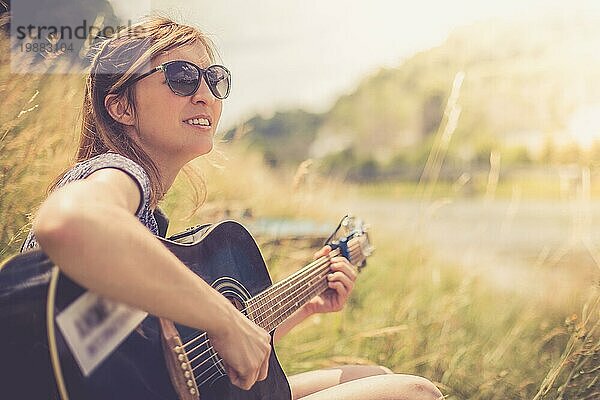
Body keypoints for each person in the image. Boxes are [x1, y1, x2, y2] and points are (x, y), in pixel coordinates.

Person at [22, 15, 443, 400]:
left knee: (372, 374)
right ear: (121, 107)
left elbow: (180, 360)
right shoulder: (115, 173)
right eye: (182, 77)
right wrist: (225, 320)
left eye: (215, 80)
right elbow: (69, 223)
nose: (205, 95)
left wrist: (297, 309)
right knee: (415, 392)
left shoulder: (148, 222)